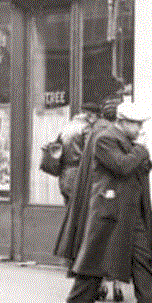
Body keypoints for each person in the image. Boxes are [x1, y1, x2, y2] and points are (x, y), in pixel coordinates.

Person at [62, 102, 152, 303]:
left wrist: (138, 155)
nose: (139, 129)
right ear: (123, 122)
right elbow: (122, 166)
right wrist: (141, 152)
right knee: (95, 259)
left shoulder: (124, 141)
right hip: (110, 209)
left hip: (128, 211)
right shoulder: (106, 139)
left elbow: (141, 167)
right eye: (136, 124)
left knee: (143, 260)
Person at [56, 102, 101, 277]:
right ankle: (78, 264)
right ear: (92, 115)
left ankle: (69, 263)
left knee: (70, 219)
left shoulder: (67, 126)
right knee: (82, 221)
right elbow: (90, 153)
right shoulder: (86, 129)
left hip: (65, 176)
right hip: (79, 176)